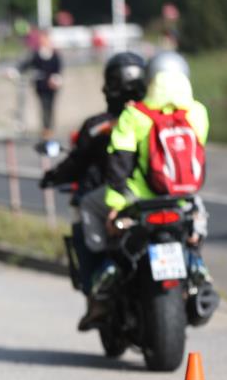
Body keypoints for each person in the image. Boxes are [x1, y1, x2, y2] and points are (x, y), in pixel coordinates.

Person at [78, 51, 211, 330]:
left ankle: (102, 276)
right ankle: (198, 269)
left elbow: (119, 165)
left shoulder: (135, 115)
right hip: (181, 197)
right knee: (195, 228)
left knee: (91, 207)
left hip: (141, 201)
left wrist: (115, 206)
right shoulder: (197, 112)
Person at [41, 52, 147, 309]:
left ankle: (95, 290)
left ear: (109, 85)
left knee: (82, 213)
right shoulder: (155, 119)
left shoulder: (98, 126)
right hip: (153, 196)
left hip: (113, 197)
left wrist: (52, 177)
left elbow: (76, 162)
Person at [17, 31, 63, 140]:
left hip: (52, 86)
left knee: (50, 107)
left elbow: (58, 70)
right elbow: (26, 65)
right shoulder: (37, 54)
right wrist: (16, 70)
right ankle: (45, 128)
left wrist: (56, 79)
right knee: (43, 106)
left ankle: (49, 127)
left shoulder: (55, 55)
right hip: (41, 86)